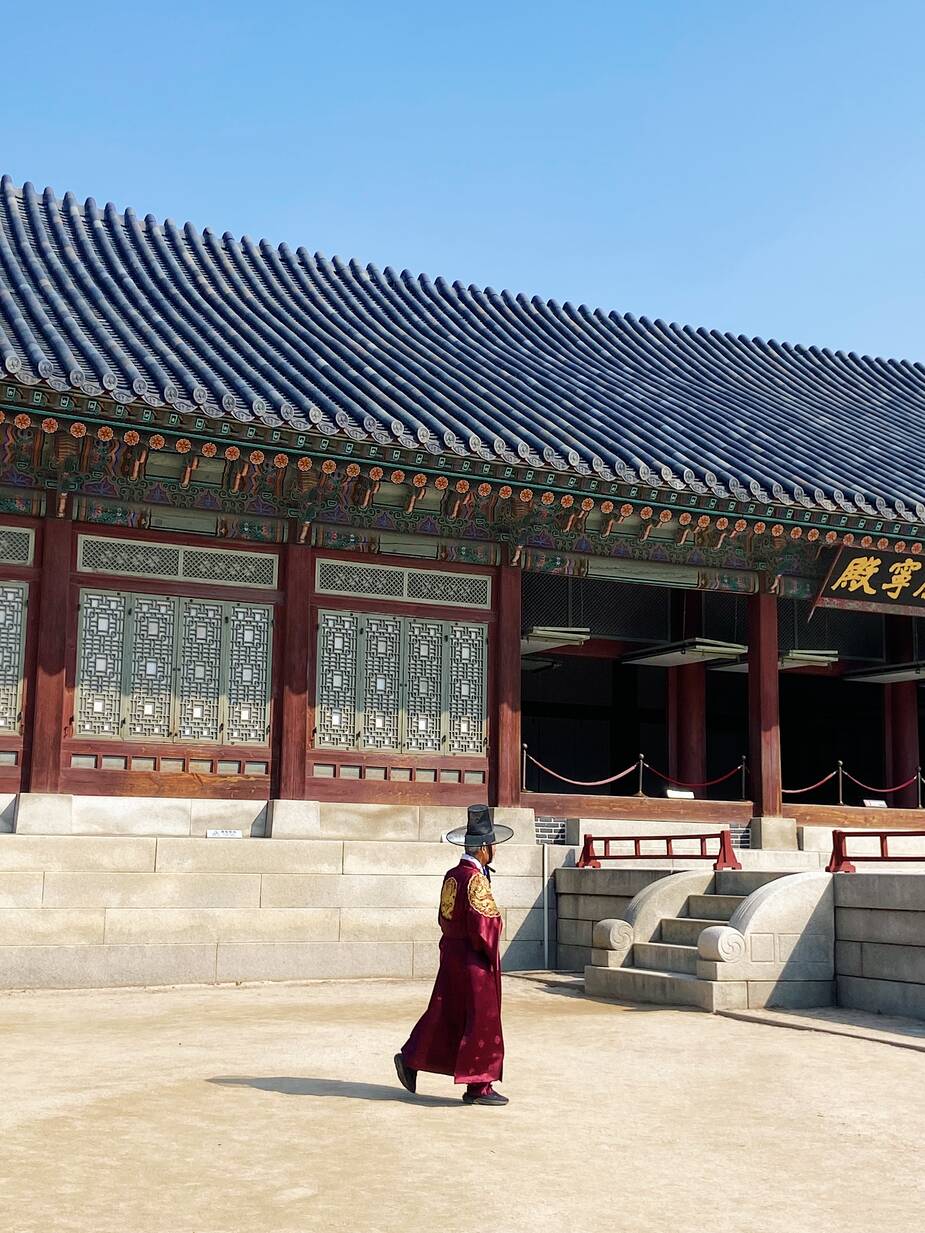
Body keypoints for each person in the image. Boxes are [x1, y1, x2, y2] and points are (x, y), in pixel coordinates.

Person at [394, 804, 513, 1107]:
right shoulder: (476, 879)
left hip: (452, 954)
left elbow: (445, 916)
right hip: (473, 958)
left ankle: (411, 1058)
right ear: (485, 848)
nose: (494, 851)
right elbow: (486, 923)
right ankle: (478, 1085)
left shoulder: (453, 875)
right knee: (480, 1020)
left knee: (445, 1012)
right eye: (493, 847)